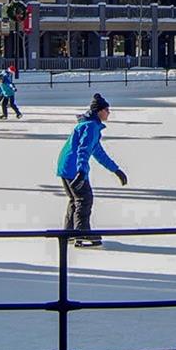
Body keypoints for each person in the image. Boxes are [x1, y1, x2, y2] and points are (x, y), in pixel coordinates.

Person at [55, 93, 128, 246]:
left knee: (75, 200)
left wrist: (116, 170)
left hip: (66, 165)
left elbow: (98, 152)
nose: (109, 112)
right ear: (99, 111)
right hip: (73, 167)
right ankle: (82, 234)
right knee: (84, 199)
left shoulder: (89, 125)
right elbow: (84, 149)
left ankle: (69, 232)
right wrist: (81, 171)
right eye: (107, 110)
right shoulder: (91, 126)